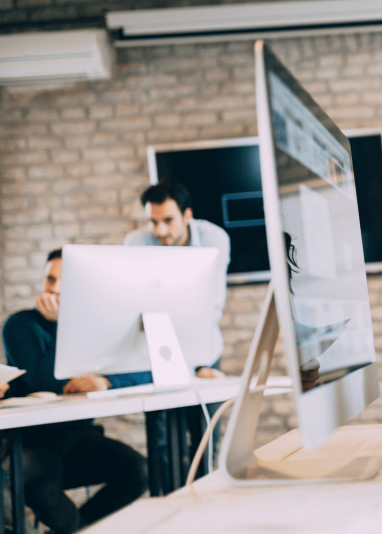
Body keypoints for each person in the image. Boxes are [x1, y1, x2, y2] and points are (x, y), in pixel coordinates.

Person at [2, 249, 148, 534]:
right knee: (22, 482)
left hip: (77, 440)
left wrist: (106, 381)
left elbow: (143, 369)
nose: (54, 288)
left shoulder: (95, 327)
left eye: (63, 281)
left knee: (138, 471)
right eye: (50, 279)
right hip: (34, 444)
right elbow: (47, 382)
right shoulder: (20, 325)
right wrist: (62, 325)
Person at [125, 180, 229, 378]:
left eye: (168, 220)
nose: (160, 231)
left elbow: (213, 304)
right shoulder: (137, 243)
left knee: (211, 396)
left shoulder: (214, 238)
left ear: (187, 215)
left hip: (202, 348)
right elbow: (136, 303)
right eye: (153, 222)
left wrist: (196, 365)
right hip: (154, 349)